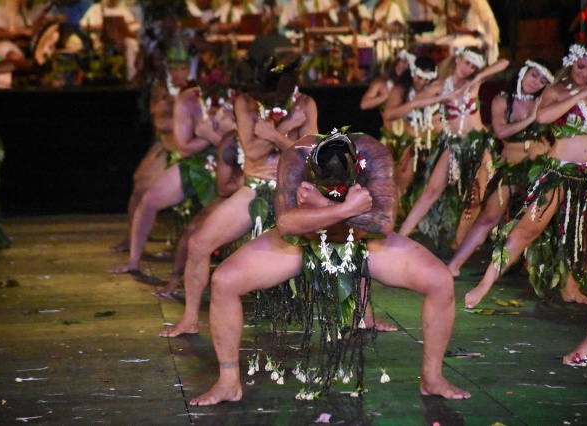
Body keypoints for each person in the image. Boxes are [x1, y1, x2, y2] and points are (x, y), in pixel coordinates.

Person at [188, 129, 471, 405]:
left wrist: (319, 204)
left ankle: (432, 378)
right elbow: (287, 224)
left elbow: (382, 224)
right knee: (224, 280)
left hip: (363, 241)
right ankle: (228, 381)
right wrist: (348, 207)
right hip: (302, 242)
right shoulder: (297, 155)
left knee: (440, 280)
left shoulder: (374, 154)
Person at [159, 58, 318, 338]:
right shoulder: (245, 103)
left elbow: (309, 155)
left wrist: (274, 133)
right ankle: (190, 318)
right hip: (253, 188)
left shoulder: (305, 104)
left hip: (293, 189)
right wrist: (286, 128)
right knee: (198, 242)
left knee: (346, 237)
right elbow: (253, 152)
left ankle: (360, 316)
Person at [465, 42, 587, 309]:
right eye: (580, 67)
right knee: (528, 229)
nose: (585, 73)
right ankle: (484, 284)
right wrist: (584, 90)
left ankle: (571, 287)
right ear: (571, 63)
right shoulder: (556, 91)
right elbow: (543, 117)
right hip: (559, 172)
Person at [110, 66, 236, 273]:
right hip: (196, 161)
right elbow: (184, 148)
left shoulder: (235, 101)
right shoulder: (187, 100)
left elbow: (239, 147)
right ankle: (133, 259)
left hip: (229, 166)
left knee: (199, 226)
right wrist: (209, 137)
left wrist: (210, 136)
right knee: (149, 199)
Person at [447, 60, 554, 277]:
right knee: (489, 217)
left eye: (543, 81)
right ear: (523, 72)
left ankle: (538, 271)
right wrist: (531, 118)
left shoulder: (544, 102)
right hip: (510, 168)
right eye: (534, 75)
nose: (536, 82)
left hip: (540, 168)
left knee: (541, 221)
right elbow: (501, 132)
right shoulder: (502, 100)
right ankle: (453, 265)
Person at [398, 47, 508, 247]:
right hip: (455, 145)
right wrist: (442, 99)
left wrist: (478, 77)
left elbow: (504, 63)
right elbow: (415, 103)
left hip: (479, 145)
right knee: (432, 190)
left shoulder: (473, 83)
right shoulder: (441, 86)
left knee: (476, 196)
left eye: (473, 67)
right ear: (457, 59)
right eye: (467, 63)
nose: (468, 69)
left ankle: (458, 244)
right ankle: (401, 236)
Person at [110, 46, 191, 253]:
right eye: (175, 68)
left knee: (145, 191)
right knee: (138, 186)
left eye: (182, 68)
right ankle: (132, 238)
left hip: (188, 149)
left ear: (188, 69)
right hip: (166, 145)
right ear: (169, 69)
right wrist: (177, 111)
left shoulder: (194, 90)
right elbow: (160, 122)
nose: (179, 73)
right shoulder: (162, 90)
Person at [154, 130, 244, 298]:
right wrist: (245, 184)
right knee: (194, 229)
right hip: (238, 194)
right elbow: (223, 188)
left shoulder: (282, 132)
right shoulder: (232, 141)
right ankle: (175, 280)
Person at [382, 53, 440, 216]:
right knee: (405, 173)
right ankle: (389, 214)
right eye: (420, 78)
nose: (422, 83)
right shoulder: (401, 89)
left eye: (427, 80)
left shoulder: (436, 91)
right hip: (405, 140)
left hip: (429, 139)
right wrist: (414, 103)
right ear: (413, 73)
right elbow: (388, 115)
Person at [79, 0, 141, 81]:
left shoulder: (122, 10)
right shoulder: (95, 9)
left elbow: (135, 25)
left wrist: (126, 27)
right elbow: (83, 25)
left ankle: (131, 75)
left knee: (132, 43)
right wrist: (97, 27)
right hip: (101, 41)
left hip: (121, 41)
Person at [0, 0, 54, 70]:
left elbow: (30, 31)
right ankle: (35, 66)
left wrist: (40, 23)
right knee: (13, 56)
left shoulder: (24, 13)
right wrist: (22, 32)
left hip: (24, 49)